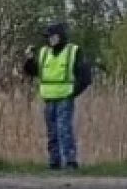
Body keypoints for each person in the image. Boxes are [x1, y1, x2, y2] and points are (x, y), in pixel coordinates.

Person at [23, 22, 92, 170]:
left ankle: (70, 161)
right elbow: (34, 72)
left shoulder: (73, 51)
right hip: (48, 98)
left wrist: (73, 92)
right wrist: (29, 60)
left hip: (65, 97)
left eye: (52, 36)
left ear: (60, 36)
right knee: (52, 131)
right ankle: (54, 162)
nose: (50, 39)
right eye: (48, 37)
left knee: (64, 129)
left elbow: (85, 76)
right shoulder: (44, 53)